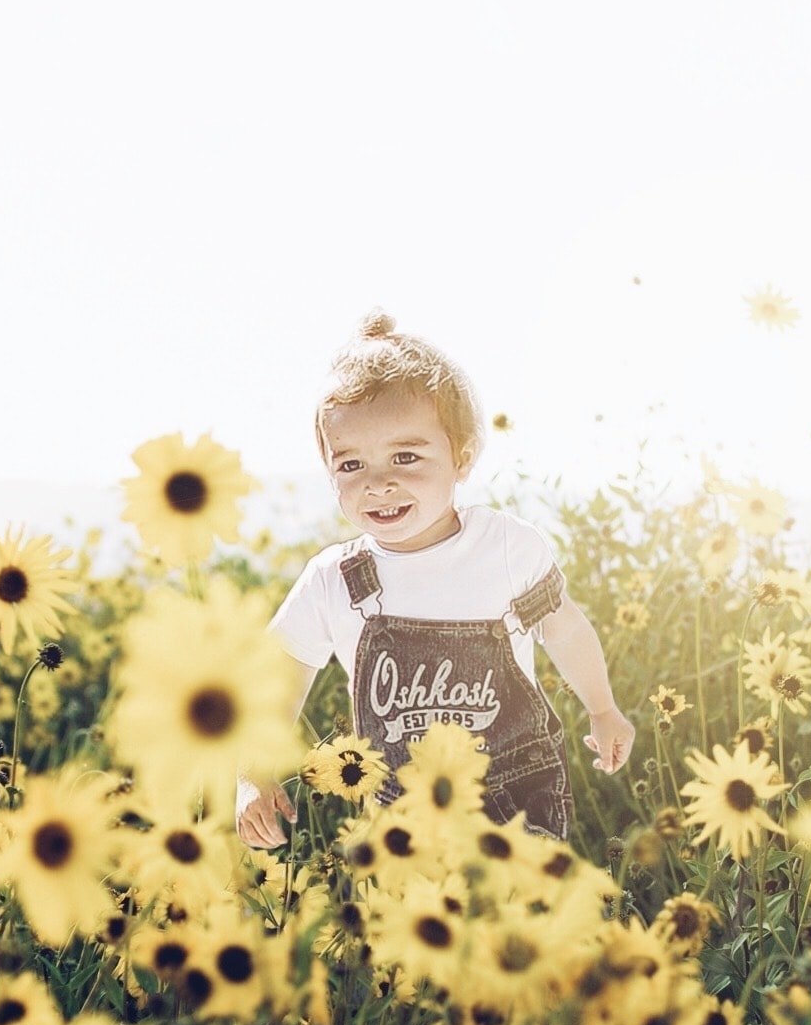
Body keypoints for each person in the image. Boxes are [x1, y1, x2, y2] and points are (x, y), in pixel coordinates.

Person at [236, 310, 635, 850]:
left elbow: (563, 629)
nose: (379, 484)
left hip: (513, 800)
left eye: (406, 456)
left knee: (518, 926)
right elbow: (274, 680)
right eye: (351, 466)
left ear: (461, 458)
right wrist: (249, 776)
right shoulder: (335, 580)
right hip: (401, 822)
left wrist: (602, 708)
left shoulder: (505, 548)